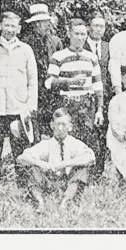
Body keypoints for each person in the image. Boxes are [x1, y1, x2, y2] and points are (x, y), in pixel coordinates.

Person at [0, 11, 37, 192]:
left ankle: (26, 188)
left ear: (19, 28)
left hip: (18, 108)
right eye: (7, 25)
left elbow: (32, 80)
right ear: (0, 26)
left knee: (21, 151)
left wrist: (30, 106)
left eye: (14, 26)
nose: (10, 29)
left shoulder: (25, 50)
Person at [45, 18, 104, 157]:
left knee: (89, 140)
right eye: (76, 34)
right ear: (69, 34)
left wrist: (99, 109)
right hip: (67, 104)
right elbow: (49, 82)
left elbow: (98, 85)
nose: (80, 38)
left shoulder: (91, 57)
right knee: (68, 140)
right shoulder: (59, 56)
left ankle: (89, 176)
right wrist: (69, 81)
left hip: (86, 105)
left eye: (83, 34)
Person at [16, 108, 95, 209]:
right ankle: (40, 202)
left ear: (70, 127)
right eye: (57, 124)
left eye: (64, 124)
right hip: (50, 183)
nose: (60, 128)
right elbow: (22, 158)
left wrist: (66, 163)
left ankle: (66, 201)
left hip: (69, 184)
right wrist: (41, 164)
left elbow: (90, 157)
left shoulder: (74, 143)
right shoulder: (47, 144)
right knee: (33, 169)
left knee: (82, 169)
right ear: (52, 125)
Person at [21, 3, 63, 135]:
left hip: (52, 94)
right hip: (34, 91)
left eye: (45, 22)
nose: (42, 26)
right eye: (38, 23)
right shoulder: (26, 43)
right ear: (34, 25)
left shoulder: (56, 42)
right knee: (34, 130)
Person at [84, 11, 111, 178]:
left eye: (101, 26)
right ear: (89, 27)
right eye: (95, 25)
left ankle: (98, 172)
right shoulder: (81, 45)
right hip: (86, 95)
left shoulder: (108, 47)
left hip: (104, 95)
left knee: (101, 133)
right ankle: (85, 170)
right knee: (88, 132)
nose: (98, 29)